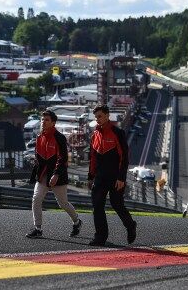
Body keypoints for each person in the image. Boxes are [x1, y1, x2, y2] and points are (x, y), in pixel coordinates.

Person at [26, 110, 82, 239]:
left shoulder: (60, 137)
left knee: (62, 203)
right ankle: (38, 228)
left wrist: (56, 174)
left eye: (46, 120)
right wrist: (35, 171)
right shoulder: (39, 136)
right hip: (43, 175)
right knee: (36, 199)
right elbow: (38, 157)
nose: (43, 122)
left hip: (58, 175)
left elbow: (62, 158)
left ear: (53, 123)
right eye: (42, 120)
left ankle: (77, 222)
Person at [87, 104, 136, 246]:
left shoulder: (118, 133)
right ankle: (100, 236)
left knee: (117, 204)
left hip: (115, 178)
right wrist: (90, 177)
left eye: (100, 116)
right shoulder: (94, 135)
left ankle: (130, 225)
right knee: (97, 206)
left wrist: (122, 178)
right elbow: (93, 158)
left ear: (108, 115)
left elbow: (125, 158)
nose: (98, 119)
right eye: (96, 117)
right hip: (100, 178)